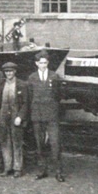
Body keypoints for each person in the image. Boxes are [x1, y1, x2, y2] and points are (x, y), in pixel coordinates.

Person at [28, 50, 65, 182]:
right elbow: (29, 97)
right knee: (39, 145)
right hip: (37, 115)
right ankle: (42, 170)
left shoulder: (54, 76)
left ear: (48, 63)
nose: (43, 65)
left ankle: (58, 171)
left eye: (45, 63)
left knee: (55, 143)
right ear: (36, 64)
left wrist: (53, 109)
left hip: (51, 115)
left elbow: (59, 96)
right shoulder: (32, 78)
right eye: (41, 63)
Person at [0, 61, 29, 178]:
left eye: (11, 71)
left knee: (17, 142)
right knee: (5, 142)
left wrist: (20, 117)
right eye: (6, 72)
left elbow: (26, 103)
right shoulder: (1, 85)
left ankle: (17, 168)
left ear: (15, 71)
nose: (9, 73)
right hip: (3, 116)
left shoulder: (21, 84)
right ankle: (7, 167)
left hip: (16, 118)